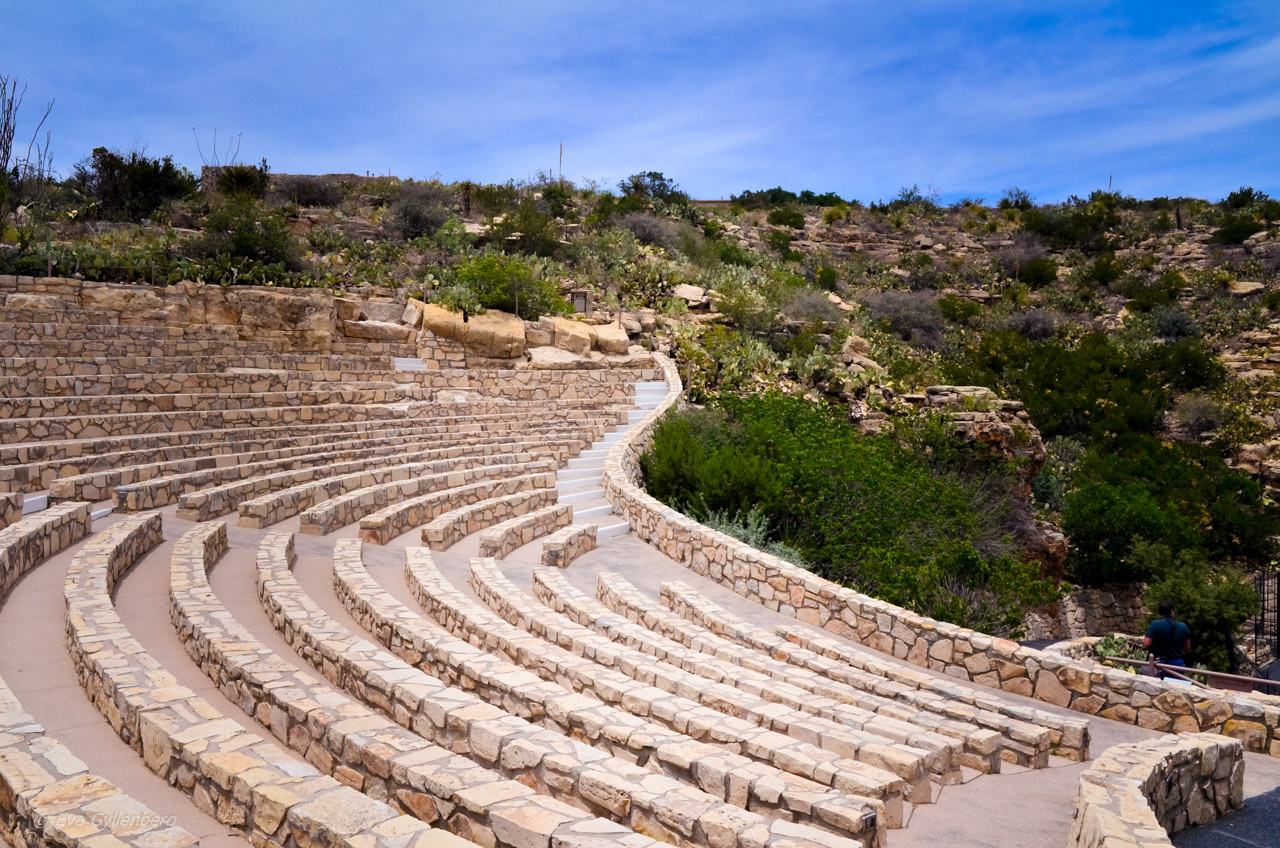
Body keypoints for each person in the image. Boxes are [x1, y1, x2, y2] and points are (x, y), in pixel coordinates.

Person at [1143, 601, 1191, 673]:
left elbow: (1147, 643)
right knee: (1177, 684)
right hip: (1177, 663)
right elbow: (1187, 646)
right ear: (1172, 611)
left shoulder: (1155, 624)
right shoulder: (1183, 626)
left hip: (1158, 663)